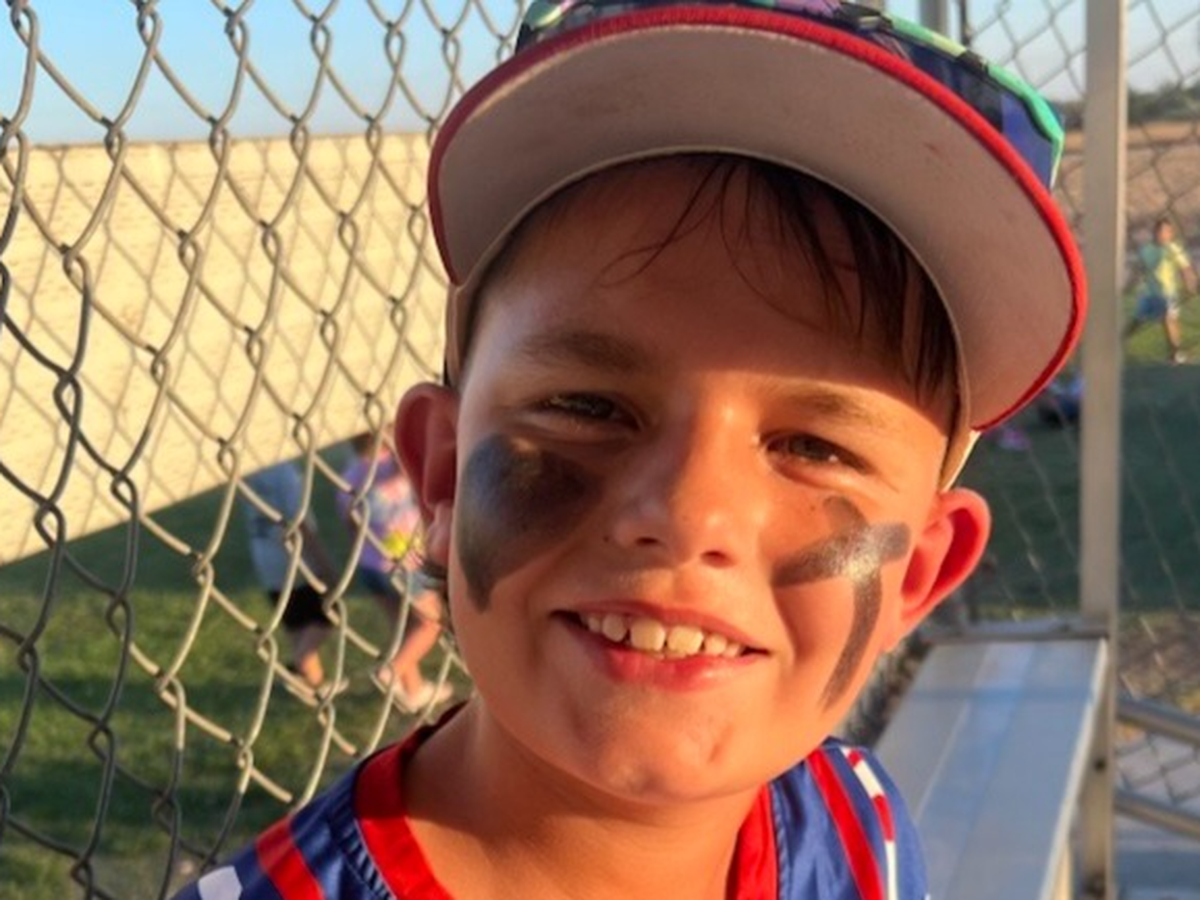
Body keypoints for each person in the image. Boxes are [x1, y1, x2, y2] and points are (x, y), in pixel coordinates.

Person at [173, 1, 1085, 897]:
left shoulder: (859, 824)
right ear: (440, 480)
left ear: (916, 575)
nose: (688, 515)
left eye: (814, 445)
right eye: (588, 406)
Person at [338, 432, 452, 711]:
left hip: (371, 565)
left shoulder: (349, 477)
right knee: (431, 622)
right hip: (405, 564)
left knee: (401, 627)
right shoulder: (396, 464)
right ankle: (390, 672)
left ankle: (414, 691)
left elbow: (350, 524)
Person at [242, 460, 338, 692]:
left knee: (297, 624)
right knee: (327, 617)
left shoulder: (248, 471)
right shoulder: (285, 473)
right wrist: (324, 564)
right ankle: (300, 664)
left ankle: (313, 685)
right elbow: (300, 523)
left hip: (264, 555)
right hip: (295, 559)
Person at [1123, 216, 1197, 363]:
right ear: (1154, 232)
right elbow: (1138, 270)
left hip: (1167, 294)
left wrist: (1189, 285)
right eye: (1159, 231)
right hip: (1148, 293)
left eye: (1165, 231)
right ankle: (1116, 344)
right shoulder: (1146, 250)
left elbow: (1185, 268)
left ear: (1170, 233)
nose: (1162, 234)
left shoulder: (1172, 249)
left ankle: (1175, 354)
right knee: (1137, 321)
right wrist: (1128, 286)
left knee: (1168, 319)